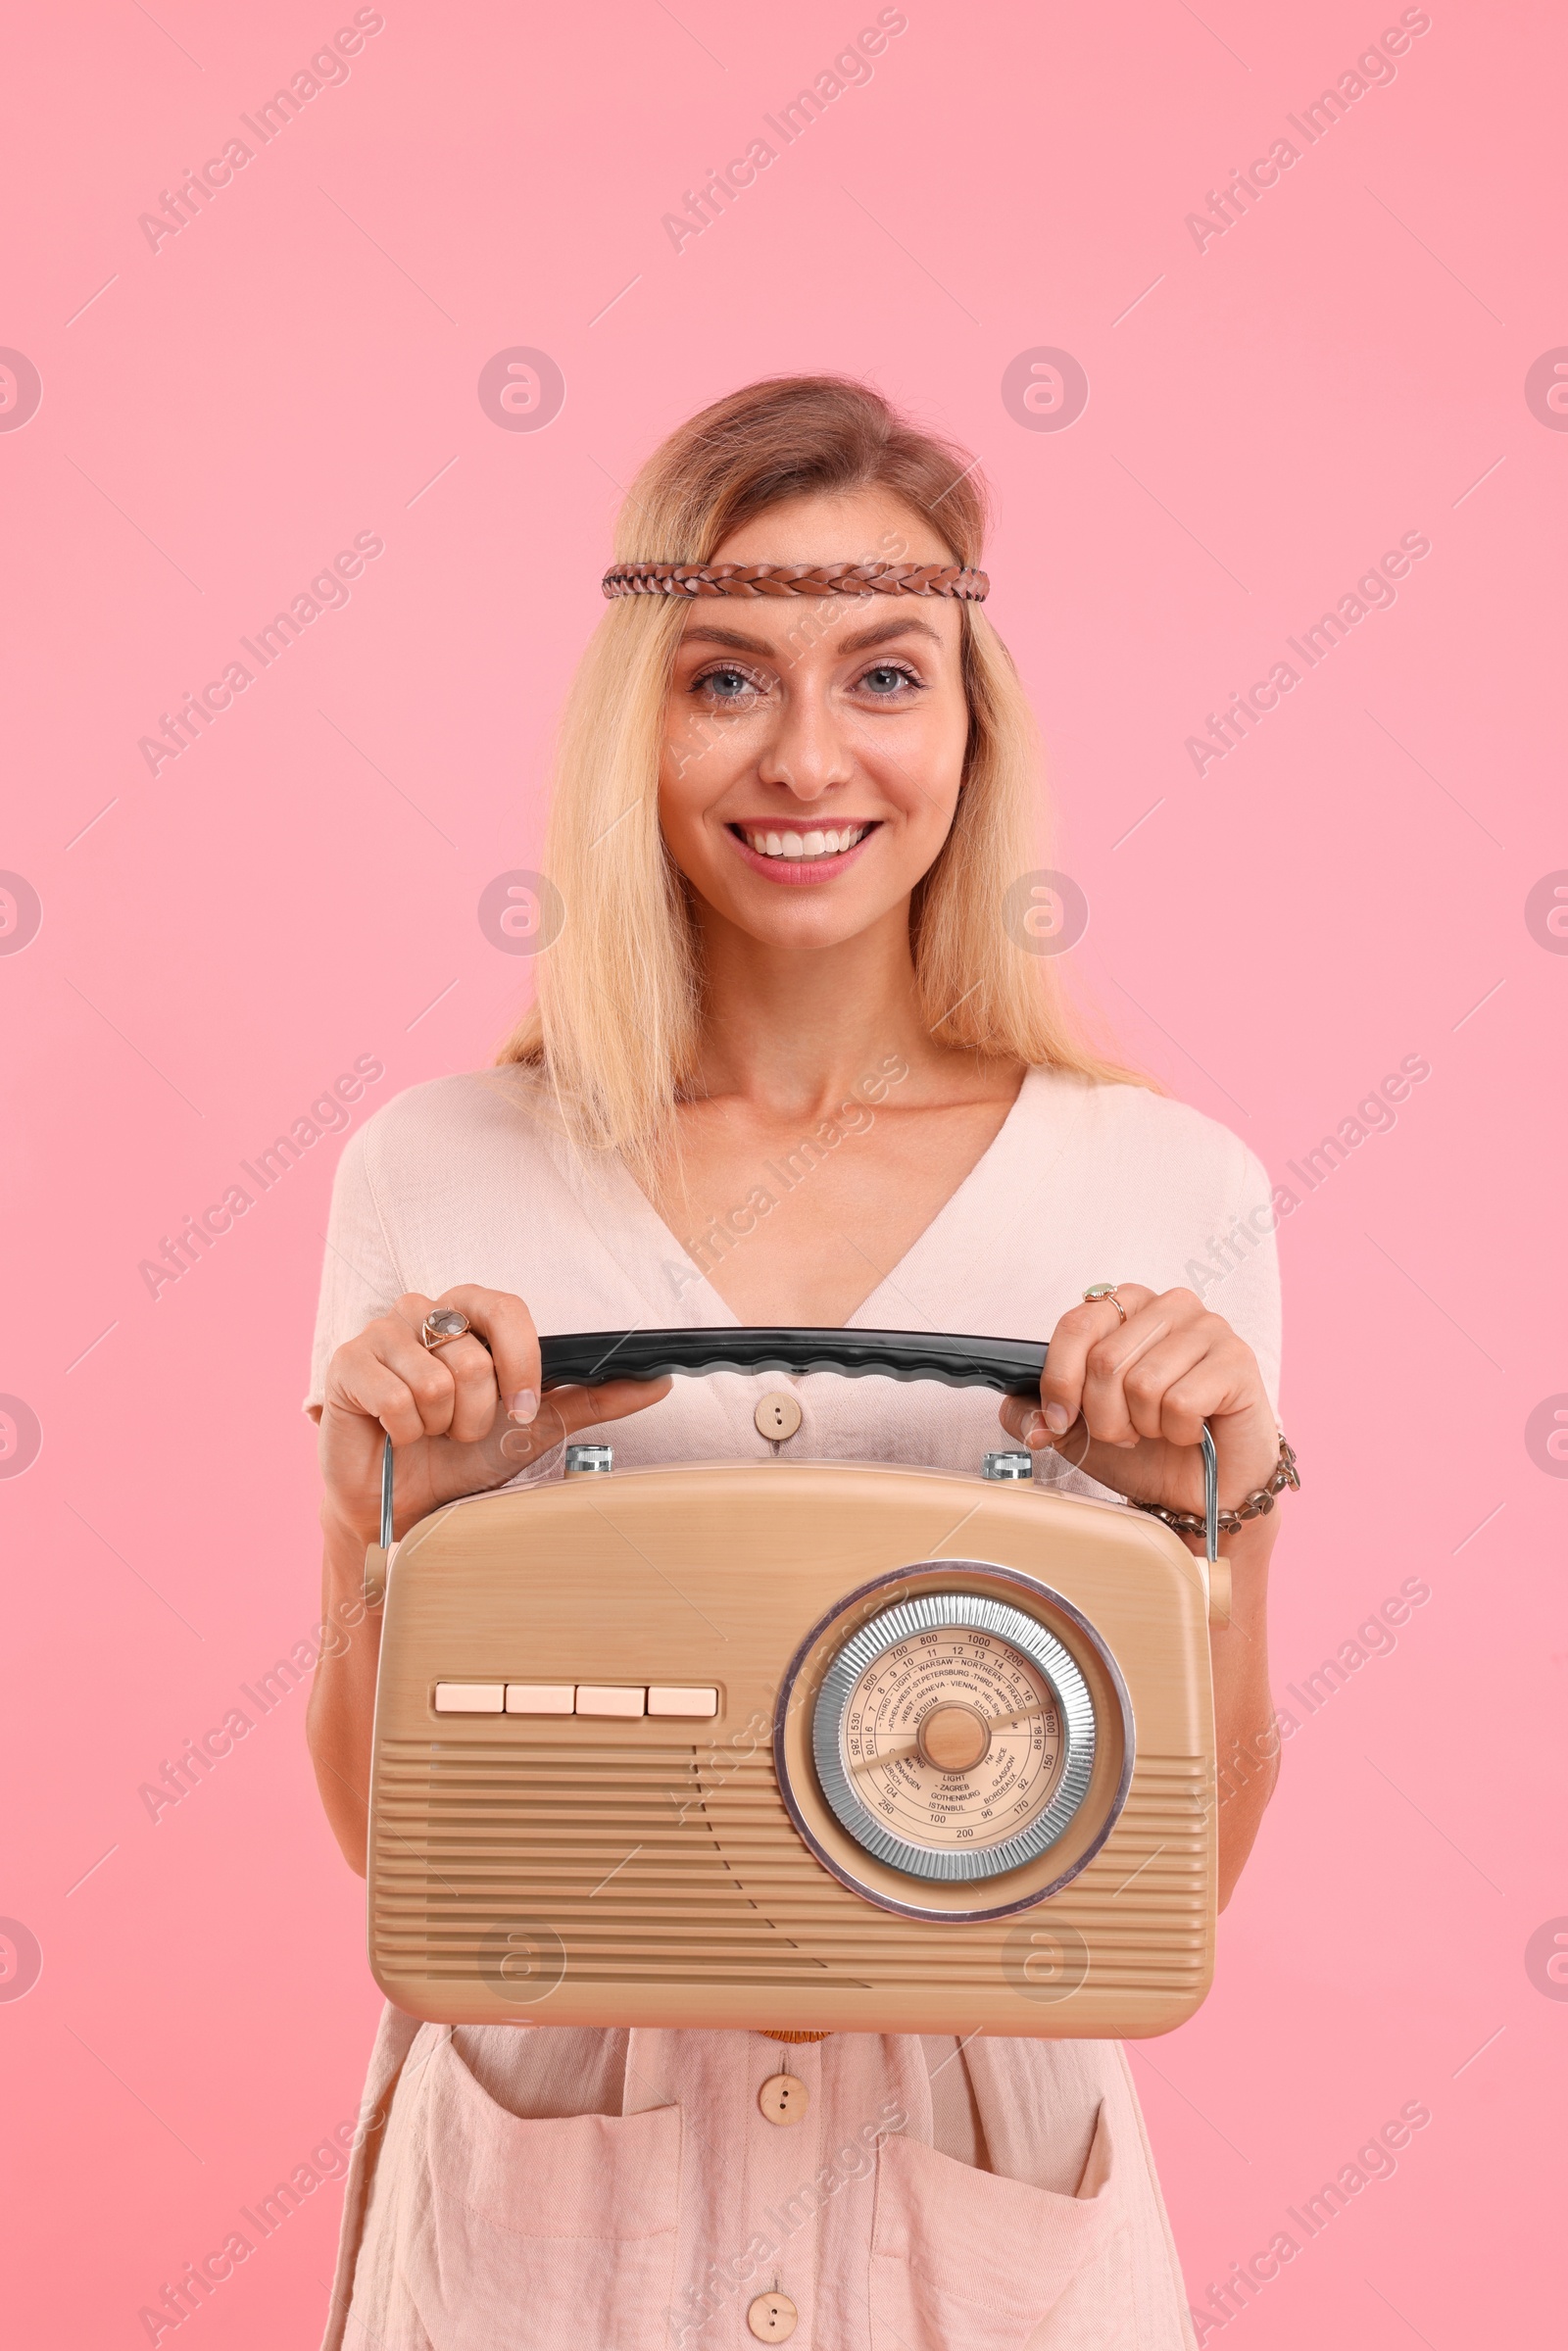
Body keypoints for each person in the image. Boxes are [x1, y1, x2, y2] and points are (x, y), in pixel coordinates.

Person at [305, 375, 1295, 2350]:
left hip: (970, 2182)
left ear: (969, 723)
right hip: (546, 2180)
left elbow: (1184, 1872)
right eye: (727, 678)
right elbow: (376, 1831)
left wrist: (1224, 1517)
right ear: (635, 723)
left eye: (883, 675)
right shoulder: (438, 1170)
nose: (808, 755)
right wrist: (375, 1526)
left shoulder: (1164, 1187)